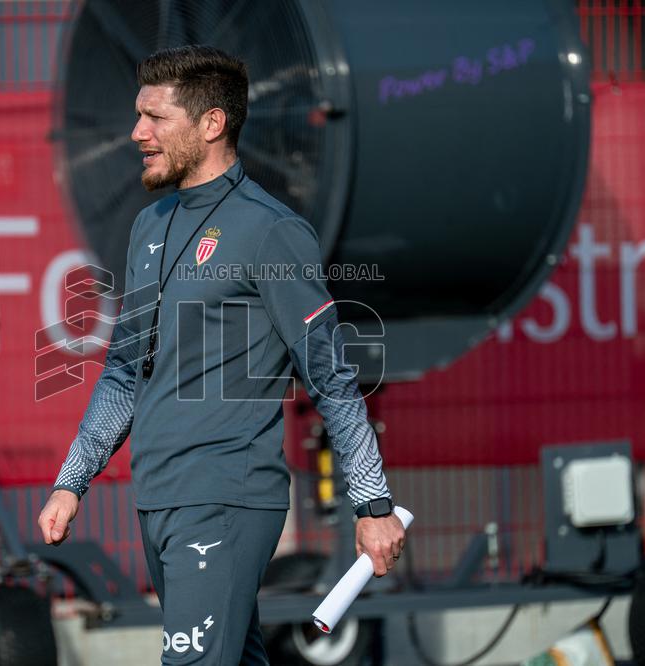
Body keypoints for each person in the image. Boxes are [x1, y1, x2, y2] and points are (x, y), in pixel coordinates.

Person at [38, 44, 404, 665]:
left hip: (226, 501)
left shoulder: (271, 230)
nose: (136, 133)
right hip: (157, 499)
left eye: (155, 117)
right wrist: (72, 482)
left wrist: (373, 504)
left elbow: (332, 379)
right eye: (138, 115)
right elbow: (125, 371)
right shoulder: (148, 226)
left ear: (211, 124)